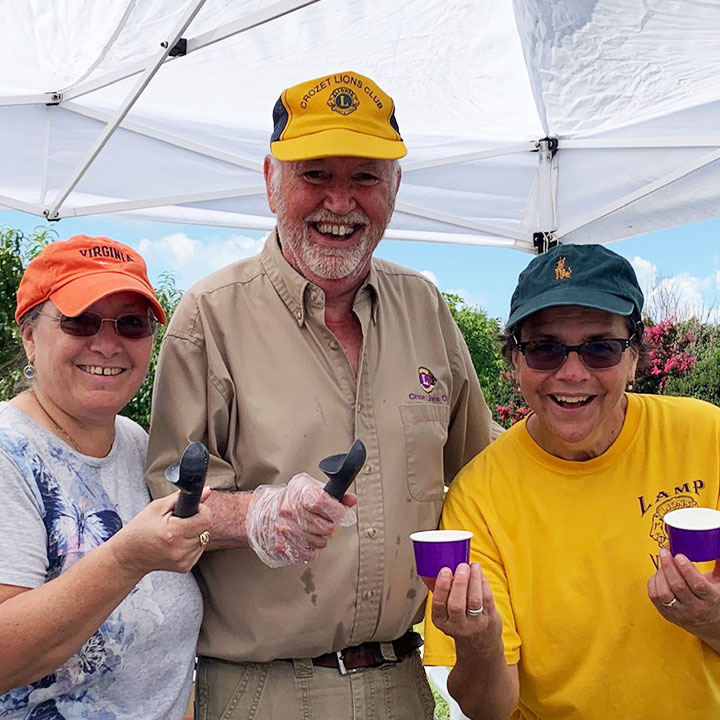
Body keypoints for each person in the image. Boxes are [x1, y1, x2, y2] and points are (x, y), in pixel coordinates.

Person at [145, 70, 499, 720]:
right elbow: (167, 501)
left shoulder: (423, 304)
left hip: (401, 680)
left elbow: (487, 471)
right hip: (260, 691)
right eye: (315, 174)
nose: (341, 202)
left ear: (396, 187)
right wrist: (256, 514)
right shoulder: (209, 315)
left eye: (365, 176)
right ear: (270, 179)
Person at [422, 243, 720, 719]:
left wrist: (713, 619)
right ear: (514, 361)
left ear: (634, 357)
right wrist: (478, 644)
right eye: (545, 349)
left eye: (601, 348)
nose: (572, 372)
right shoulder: (478, 495)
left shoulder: (708, 437)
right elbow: (488, 709)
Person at [0, 235, 212, 719]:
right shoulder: (8, 452)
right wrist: (124, 559)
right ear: (30, 336)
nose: (108, 343)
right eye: (81, 320)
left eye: (131, 324)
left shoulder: (136, 442)